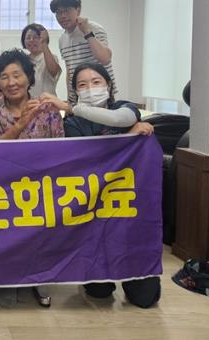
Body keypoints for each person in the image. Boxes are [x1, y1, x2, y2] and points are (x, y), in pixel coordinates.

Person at [40, 62, 160, 309]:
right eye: (82, 85)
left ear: (108, 85)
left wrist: (68, 106)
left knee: (146, 298)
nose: (90, 88)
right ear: (76, 91)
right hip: (93, 205)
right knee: (99, 292)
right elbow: (89, 157)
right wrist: (128, 136)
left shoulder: (123, 108)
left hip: (128, 204)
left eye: (96, 82)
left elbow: (121, 119)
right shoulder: (73, 123)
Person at [0, 49, 62, 308]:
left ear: (29, 77)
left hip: (39, 187)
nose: (11, 82)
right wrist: (19, 125)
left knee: (40, 234)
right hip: (1, 186)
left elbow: (60, 150)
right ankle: (8, 278)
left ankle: (40, 279)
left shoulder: (48, 109)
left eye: (17, 75)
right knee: (4, 236)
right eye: (4, 77)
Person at [50, 0, 116, 104]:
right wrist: (70, 98)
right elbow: (70, 70)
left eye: (67, 10)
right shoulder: (62, 39)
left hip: (101, 94)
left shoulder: (94, 28)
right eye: (58, 12)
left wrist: (86, 31)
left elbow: (105, 59)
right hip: (80, 96)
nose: (63, 16)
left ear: (78, 10)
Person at [21, 23, 61, 98]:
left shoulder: (51, 57)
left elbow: (54, 72)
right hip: (29, 102)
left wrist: (44, 44)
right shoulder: (22, 60)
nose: (31, 40)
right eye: (28, 38)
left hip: (48, 101)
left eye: (36, 37)